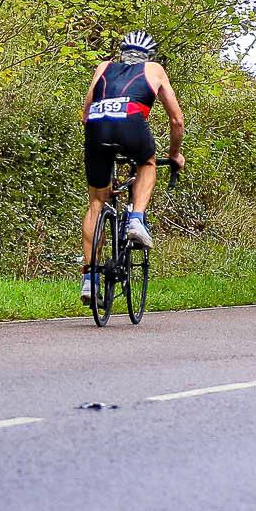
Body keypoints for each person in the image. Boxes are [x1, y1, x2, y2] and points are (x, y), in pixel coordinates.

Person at [80, 30, 184, 305]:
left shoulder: (104, 67)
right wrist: (175, 155)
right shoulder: (154, 69)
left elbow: (86, 110)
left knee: (96, 203)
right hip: (131, 125)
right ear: (148, 56)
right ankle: (136, 219)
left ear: (121, 52)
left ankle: (90, 279)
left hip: (97, 127)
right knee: (147, 163)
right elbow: (177, 121)